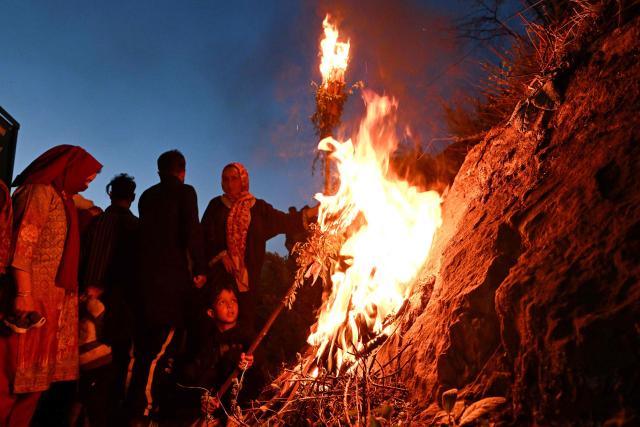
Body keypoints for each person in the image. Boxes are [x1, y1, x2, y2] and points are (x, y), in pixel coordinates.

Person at [0, 145, 101, 426]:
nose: (88, 182)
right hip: (30, 298)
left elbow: (84, 203)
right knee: (9, 379)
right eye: (87, 176)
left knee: (33, 385)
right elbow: (22, 246)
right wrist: (23, 294)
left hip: (52, 302)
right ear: (69, 168)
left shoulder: (63, 198)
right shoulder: (38, 193)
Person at [127, 150, 207, 424]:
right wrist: (200, 268)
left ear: (159, 171)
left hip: (142, 284)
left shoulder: (147, 197)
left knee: (142, 350)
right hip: (170, 287)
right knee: (158, 351)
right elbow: (191, 231)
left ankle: (139, 403)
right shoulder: (185, 193)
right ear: (183, 171)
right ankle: (142, 410)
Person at [201, 162, 317, 329]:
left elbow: (283, 221)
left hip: (248, 279)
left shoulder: (258, 208)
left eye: (234, 178)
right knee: (217, 324)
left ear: (243, 180)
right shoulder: (216, 206)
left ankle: (243, 355)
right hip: (220, 277)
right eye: (225, 179)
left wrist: (314, 211)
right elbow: (204, 235)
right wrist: (220, 254)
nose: (229, 183)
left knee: (244, 324)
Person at [79, 173, 139, 425]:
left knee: (84, 360)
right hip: (117, 307)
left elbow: (82, 258)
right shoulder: (136, 227)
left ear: (111, 193)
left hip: (86, 300)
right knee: (111, 367)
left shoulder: (97, 222)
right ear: (133, 196)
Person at [170, 284, 263, 426]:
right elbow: (203, 374)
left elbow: (259, 358)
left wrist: (251, 361)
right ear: (211, 313)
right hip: (220, 403)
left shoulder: (246, 334)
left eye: (233, 301)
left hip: (245, 401)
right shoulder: (209, 341)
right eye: (222, 302)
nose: (230, 306)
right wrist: (205, 399)